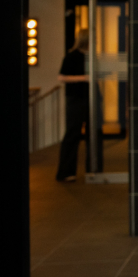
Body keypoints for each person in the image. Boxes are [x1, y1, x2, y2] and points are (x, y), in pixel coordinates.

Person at [56, 28, 97, 181]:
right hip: (75, 99)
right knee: (73, 134)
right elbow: (61, 77)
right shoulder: (71, 56)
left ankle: (93, 170)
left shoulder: (92, 57)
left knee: (93, 134)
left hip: (91, 98)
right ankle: (66, 172)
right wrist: (83, 78)